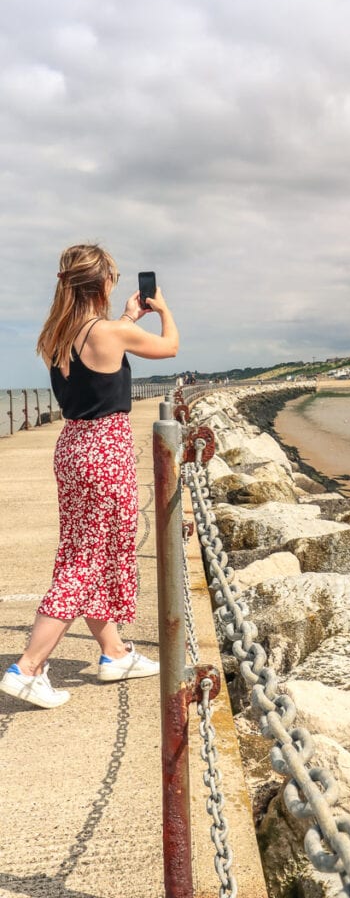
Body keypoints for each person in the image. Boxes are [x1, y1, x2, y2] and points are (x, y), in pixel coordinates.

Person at [0, 244, 179, 709]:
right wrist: (162, 309)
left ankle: (114, 652)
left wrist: (125, 320)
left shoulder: (55, 335)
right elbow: (171, 347)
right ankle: (28, 668)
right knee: (85, 562)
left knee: (87, 551)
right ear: (101, 283)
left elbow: (95, 367)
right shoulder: (110, 333)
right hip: (105, 450)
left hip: (73, 447)